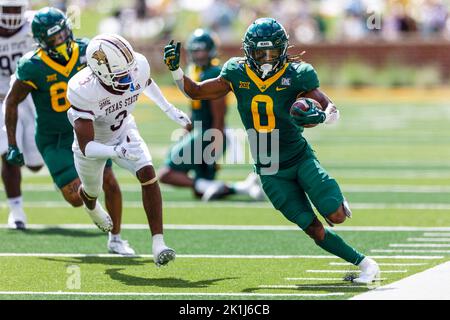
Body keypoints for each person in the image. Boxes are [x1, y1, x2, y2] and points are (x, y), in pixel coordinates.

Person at [163, 17, 380, 283]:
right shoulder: (236, 71)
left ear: (283, 49)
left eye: (272, 52)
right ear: (248, 51)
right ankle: (365, 264)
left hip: (299, 157)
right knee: (313, 229)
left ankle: (335, 202)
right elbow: (196, 91)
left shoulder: (298, 73)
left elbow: (330, 109)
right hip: (269, 170)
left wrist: (320, 117)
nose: (266, 59)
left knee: (335, 214)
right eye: (259, 53)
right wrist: (175, 71)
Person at [4, 7, 133, 255]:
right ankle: (91, 205)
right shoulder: (33, 66)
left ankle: (116, 239)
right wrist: (12, 144)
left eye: (63, 33)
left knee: (110, 181)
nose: (61, 40)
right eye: (54, 38)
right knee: (76, 198)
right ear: (41, 41)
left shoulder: (89, 52)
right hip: (55, 139)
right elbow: (11, 101)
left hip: (89, 130)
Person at [66, 33, 191, 266]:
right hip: (95, 144)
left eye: (129, 71)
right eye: (121, 76)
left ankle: (158, 243)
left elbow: (145, 82)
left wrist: (169, 109)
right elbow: (87, 147)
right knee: (92, 191)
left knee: (147, 173)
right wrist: (117, 152)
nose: (128, 80)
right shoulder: (82, 90)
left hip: (124, 129)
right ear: (100, 72)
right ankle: (91, 207)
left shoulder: (137, 65)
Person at [158, 28, 264, 201]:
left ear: (211, 51)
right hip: (200, 132)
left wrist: (216, 139)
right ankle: (244, 187)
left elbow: (219, 114)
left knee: (166, 174)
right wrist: (187, 130)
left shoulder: (214, 73)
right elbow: (195, 109)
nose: (199, 55)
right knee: (201, 191)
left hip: (209, 134)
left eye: (203, 50)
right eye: (196, 50)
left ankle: (218, 185)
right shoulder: (195, 70)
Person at [0, 0, 44, 230]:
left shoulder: (35, 25)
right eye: (6, 10)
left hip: (31, 97)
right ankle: (16, 209)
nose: (10, 16)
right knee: (8, 151)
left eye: (15, 10)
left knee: (35, 164)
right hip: (2, 98)